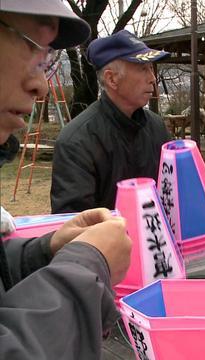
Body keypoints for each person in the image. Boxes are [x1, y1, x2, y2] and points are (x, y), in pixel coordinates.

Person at [0, 1, 132, 358]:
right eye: (34, 51)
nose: (42, 85)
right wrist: (85, 264)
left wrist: (46, 252)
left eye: (49, 62)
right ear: (111, 78)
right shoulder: (78, 136)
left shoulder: (155, 128)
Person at [50, 29, 171, 213]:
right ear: (112, 78)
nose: (152, 78)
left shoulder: (156, 127)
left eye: (151, 68)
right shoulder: (77, 141)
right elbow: (74, 225)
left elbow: (173, 193)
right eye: (143, 69)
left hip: (158, 240)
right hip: (104, 241)